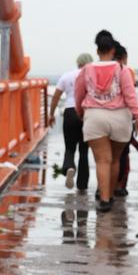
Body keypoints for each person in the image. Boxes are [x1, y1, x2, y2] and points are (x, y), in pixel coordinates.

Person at [75, 32, 138, 213]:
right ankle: (111, 194)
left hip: (95, 116)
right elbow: (130, 94)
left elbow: (79, 92)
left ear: (97, 49)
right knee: (114, 160)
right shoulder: (121, 69)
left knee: (101, 160)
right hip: (120, 117)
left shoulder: (87, 69)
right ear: (113, 50)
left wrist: (80, 111)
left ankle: (104, 199)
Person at [49, 53, 93, 190]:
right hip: (86, 113)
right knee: (84, 151)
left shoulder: (67, 76)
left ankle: (69, 167)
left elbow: (56, 96)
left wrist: (51, 114)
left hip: (69, 112)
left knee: (69, 147)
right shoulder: (91, 75)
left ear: (78, 62)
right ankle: (82, 185)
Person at [113, 42, 138, 199]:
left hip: (103, 117)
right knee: (122, 155)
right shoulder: (127, 71)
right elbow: (131, 94)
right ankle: (120, 186)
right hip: (123, 118)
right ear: (124, 58)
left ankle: (104, 188)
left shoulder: (100, 70)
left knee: (105, 158)